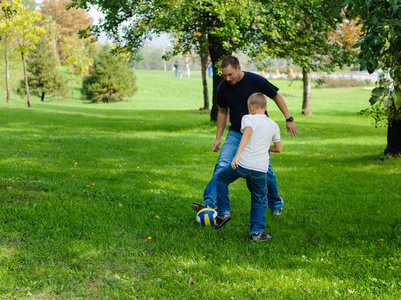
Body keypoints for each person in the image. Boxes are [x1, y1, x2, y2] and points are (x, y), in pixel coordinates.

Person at [191, 56, 297, 215]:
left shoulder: (255, 80)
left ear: (239, 68)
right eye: (224, 75)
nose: (227, 79)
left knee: (266, 172)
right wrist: (218, 137)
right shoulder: (223, 87)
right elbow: (222, 112)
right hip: (235, 133)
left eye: (230, 74)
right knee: (222, 165)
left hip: (258, 134)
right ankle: (209, 203)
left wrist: (288, 119)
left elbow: (276, 96)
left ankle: (275, 204)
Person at [215, 93, 282, 241]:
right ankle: (256, 233)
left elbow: (248, 132)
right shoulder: (273, 125)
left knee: (221, 178)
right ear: (265, 107)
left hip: (242, 165)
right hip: (260, 170)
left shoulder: (248, 118)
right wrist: (264, 146)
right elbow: (278, 149)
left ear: (251, 106)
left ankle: (223, 212)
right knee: (259, 199)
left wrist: (237, 154)